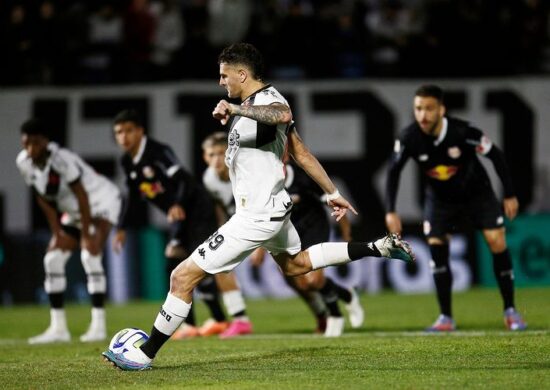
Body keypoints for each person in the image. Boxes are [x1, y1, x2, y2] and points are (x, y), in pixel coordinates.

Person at [103, 42, 414, 370]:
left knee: (182, 277)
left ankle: (144, 354)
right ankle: (378, 247)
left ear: (242, 74)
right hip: (271, 210)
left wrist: (236, 110)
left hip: (257, 214)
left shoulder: (268, 100)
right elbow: (301, 153)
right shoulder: (253, 105)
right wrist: (332, 191)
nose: (221, 82)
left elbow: (281, 114)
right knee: (296, 265)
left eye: (224, 76)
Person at [384, 84, 527, 332]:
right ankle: (446, 318)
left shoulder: (463, 132)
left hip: (477, 195)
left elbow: (496, 155)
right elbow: (393, 172)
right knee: (437, 248)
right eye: (418, 109)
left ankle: (510, 311)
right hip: (440, 201)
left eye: (429, 109)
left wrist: (510, 194)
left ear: (442, 110)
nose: (423, 115)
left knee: (496, 242)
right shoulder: (409, 138)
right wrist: (390, 210)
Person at [202, 132, 362, 337]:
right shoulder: (232, 178)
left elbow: (334, 200)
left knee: (312, 280)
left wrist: (346, 235)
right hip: (285, 227)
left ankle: (334, 316)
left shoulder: (301, 176)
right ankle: (345, 295)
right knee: (297, 280)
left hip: (313, 224)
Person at [111, 109, 250, 339]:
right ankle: (206, 322)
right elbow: (133, 195)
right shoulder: (128, 161)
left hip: (196, 210)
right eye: (118, 132)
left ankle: (210, 321)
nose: (123, 137)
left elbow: (184, 179)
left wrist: (175, 203)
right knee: (179, 265)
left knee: (194, 264)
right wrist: (122, 226)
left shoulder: (158, 152)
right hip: (181, 216)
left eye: (128, 131)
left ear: (140, 131)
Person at [17, 118, 121, 344]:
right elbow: (41, 196)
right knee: (52, 259)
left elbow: (82, 195)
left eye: (35, 143)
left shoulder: (61, 159)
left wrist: (86, 234)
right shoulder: (23, 162)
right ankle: (58, 328)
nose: (31, 149)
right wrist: (56, 232)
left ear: (45, 141)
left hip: (101, 202)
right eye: (26, 144)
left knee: (89, 255)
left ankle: (98, 326)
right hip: (74, 210)